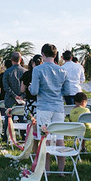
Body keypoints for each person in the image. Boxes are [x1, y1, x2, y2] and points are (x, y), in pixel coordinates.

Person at [29, 44, 69, 173]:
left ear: (43, 54)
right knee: (59, 139)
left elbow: (34, 91)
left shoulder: (38, 70)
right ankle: (61, 170)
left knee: (44, 139)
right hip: (58, 107)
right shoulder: (62, 70)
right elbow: (67, 91)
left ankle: (45, 170)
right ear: (55, 55)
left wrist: (31, 88)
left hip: (44, 106)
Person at [2, 52, 26, 140]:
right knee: (22, 117)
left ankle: (6, 136)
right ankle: (23, 135)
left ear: (11, 60)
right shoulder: (25, 71)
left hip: (10, 98)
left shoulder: (7, 72)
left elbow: (6, 86)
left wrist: (14, 95)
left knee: (8, 117)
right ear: (20, 60)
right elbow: (27, 86)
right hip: (22, 98)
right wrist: (21, 96)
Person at [20, 54, 42, 119]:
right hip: (42, 102)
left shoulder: (27, 74)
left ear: (33, 63)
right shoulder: (44, 74)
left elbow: (22, 89)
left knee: (29, 122)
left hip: (30, 102)